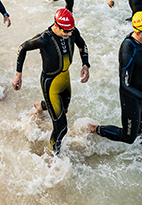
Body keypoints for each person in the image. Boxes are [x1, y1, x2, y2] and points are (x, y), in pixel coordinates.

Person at [12, 9, 90, 155]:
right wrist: (18, 75)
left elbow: (82, 45)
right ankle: (54, 156)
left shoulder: (71, 30)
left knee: (63, 110)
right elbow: (22, 48)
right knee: (61, 127)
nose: (70, 34)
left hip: (65, 78)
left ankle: (40, 106)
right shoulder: (44, 39)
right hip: (51, 83)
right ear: (57, 26)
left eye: (72, 30)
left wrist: (85, 64)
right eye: (66, 32)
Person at [88, 11, 142, 144]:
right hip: (132, 98)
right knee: (128, 138)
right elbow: (124, 85)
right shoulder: (128, 49)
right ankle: (96, 129)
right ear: (139, 32)